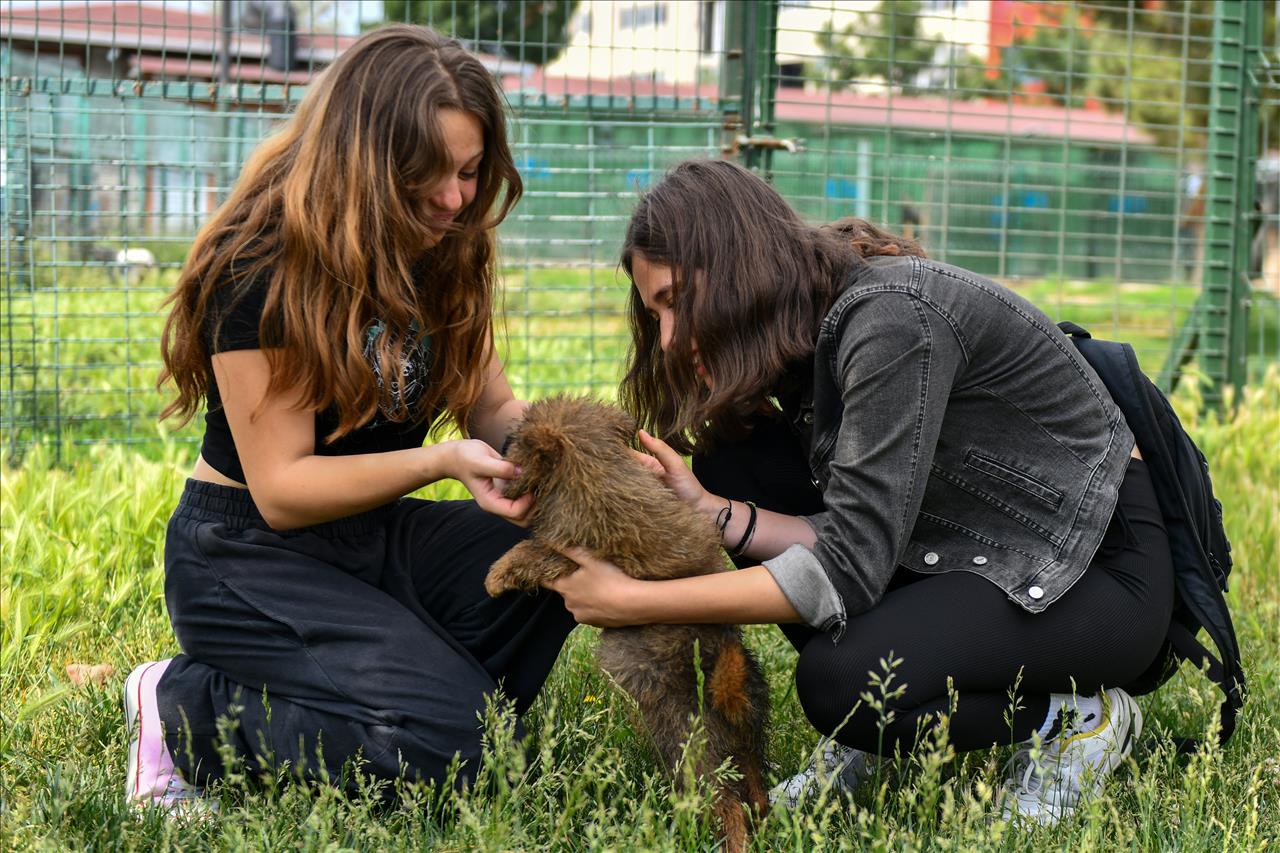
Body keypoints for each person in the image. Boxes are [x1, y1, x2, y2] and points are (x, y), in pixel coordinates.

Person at [546, 160, 1174, 826]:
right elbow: (855, 532)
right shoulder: (810, 326)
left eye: (674, 301)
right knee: (731, 461)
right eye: (655, 314)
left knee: (841, 682)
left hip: (1091, 576)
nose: (668, 340)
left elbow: (845, 566)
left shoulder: (891, 319)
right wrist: (709, 511)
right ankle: (874, 731)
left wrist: (636, 600)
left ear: (733, 265)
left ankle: (1076, 717)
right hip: (971, 552)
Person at [128, 25, 576, 813]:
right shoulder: (259, 265)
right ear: (363, 170)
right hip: (245, 553)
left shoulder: (444, 247)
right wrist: (438, 463)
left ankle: (410, 699)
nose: (453, 200)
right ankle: (183, 707)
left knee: (555, 553)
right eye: (425, 179)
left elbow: (492, 405)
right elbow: (282, 489)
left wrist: (574, 459)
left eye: (470, 173)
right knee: (462, 747)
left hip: (368, 534)